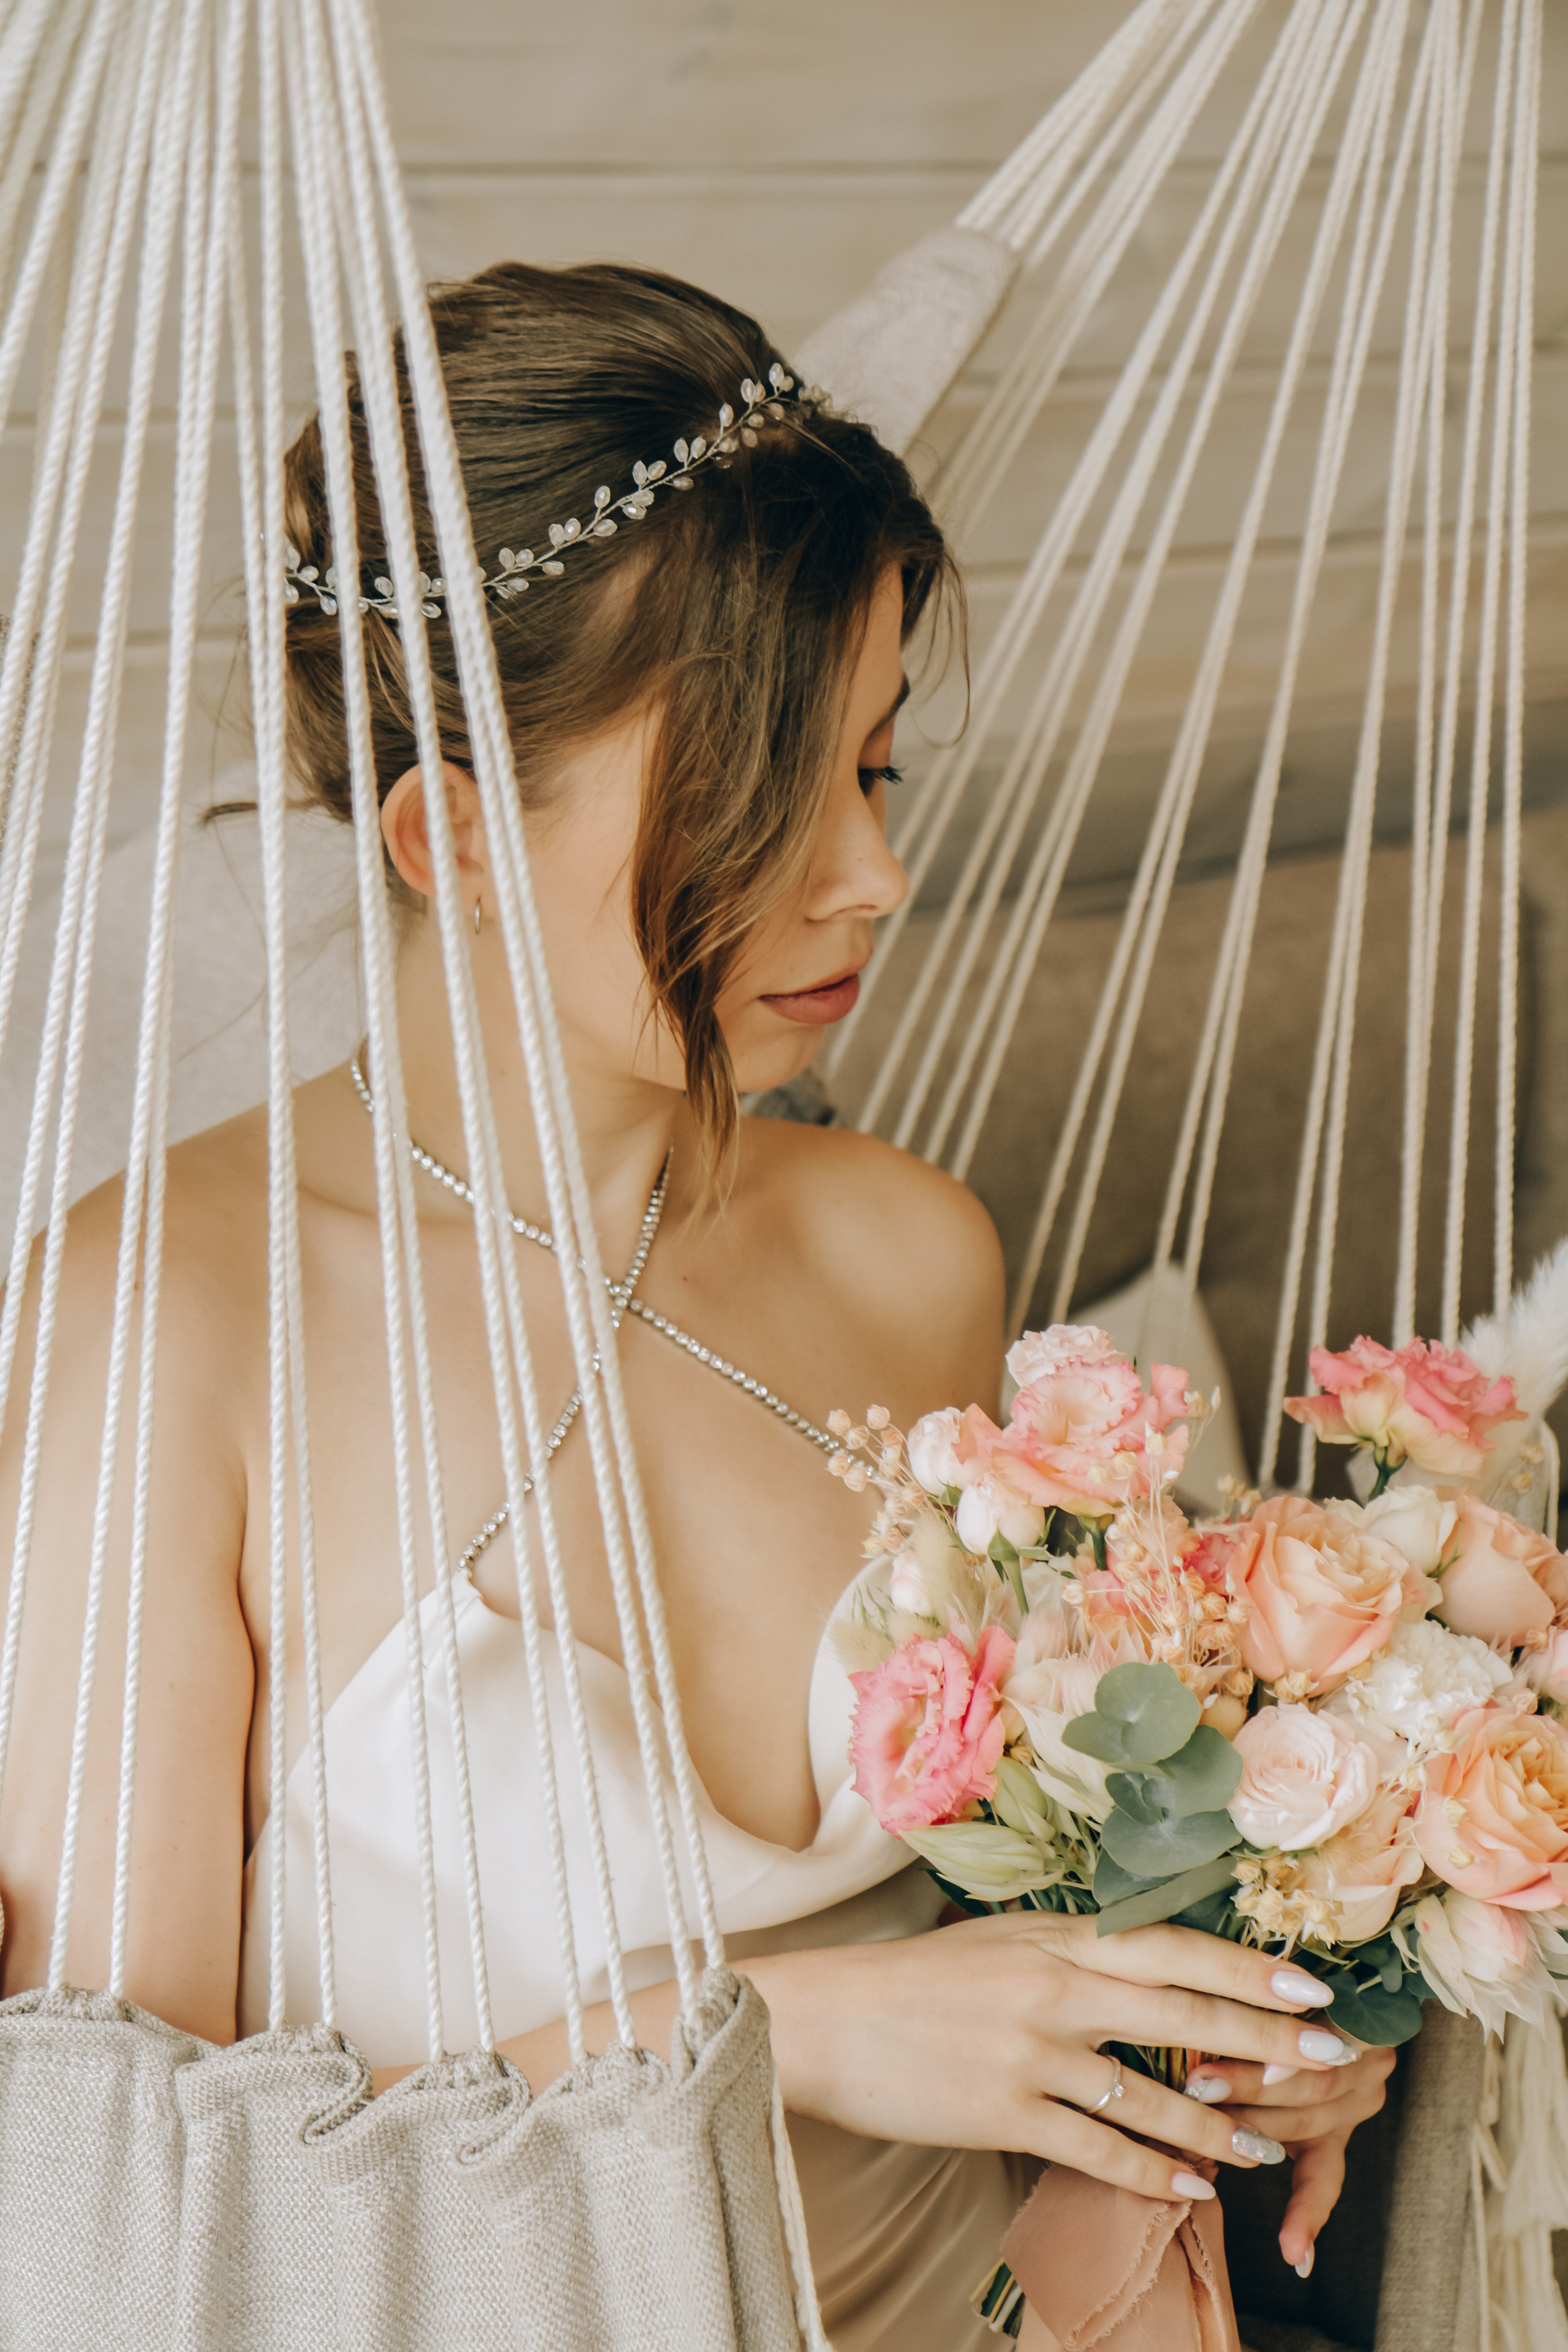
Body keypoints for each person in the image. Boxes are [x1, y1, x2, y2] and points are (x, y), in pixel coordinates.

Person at [0, 260, 1391, 2350]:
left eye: (878, 771)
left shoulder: (911, 1254)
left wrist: (1241, 2012)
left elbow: (1029, 1927)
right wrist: (761, 2033)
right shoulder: (167, 1330)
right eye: (766, 795)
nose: (873, 877)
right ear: (456, 833)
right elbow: (114, 2225)